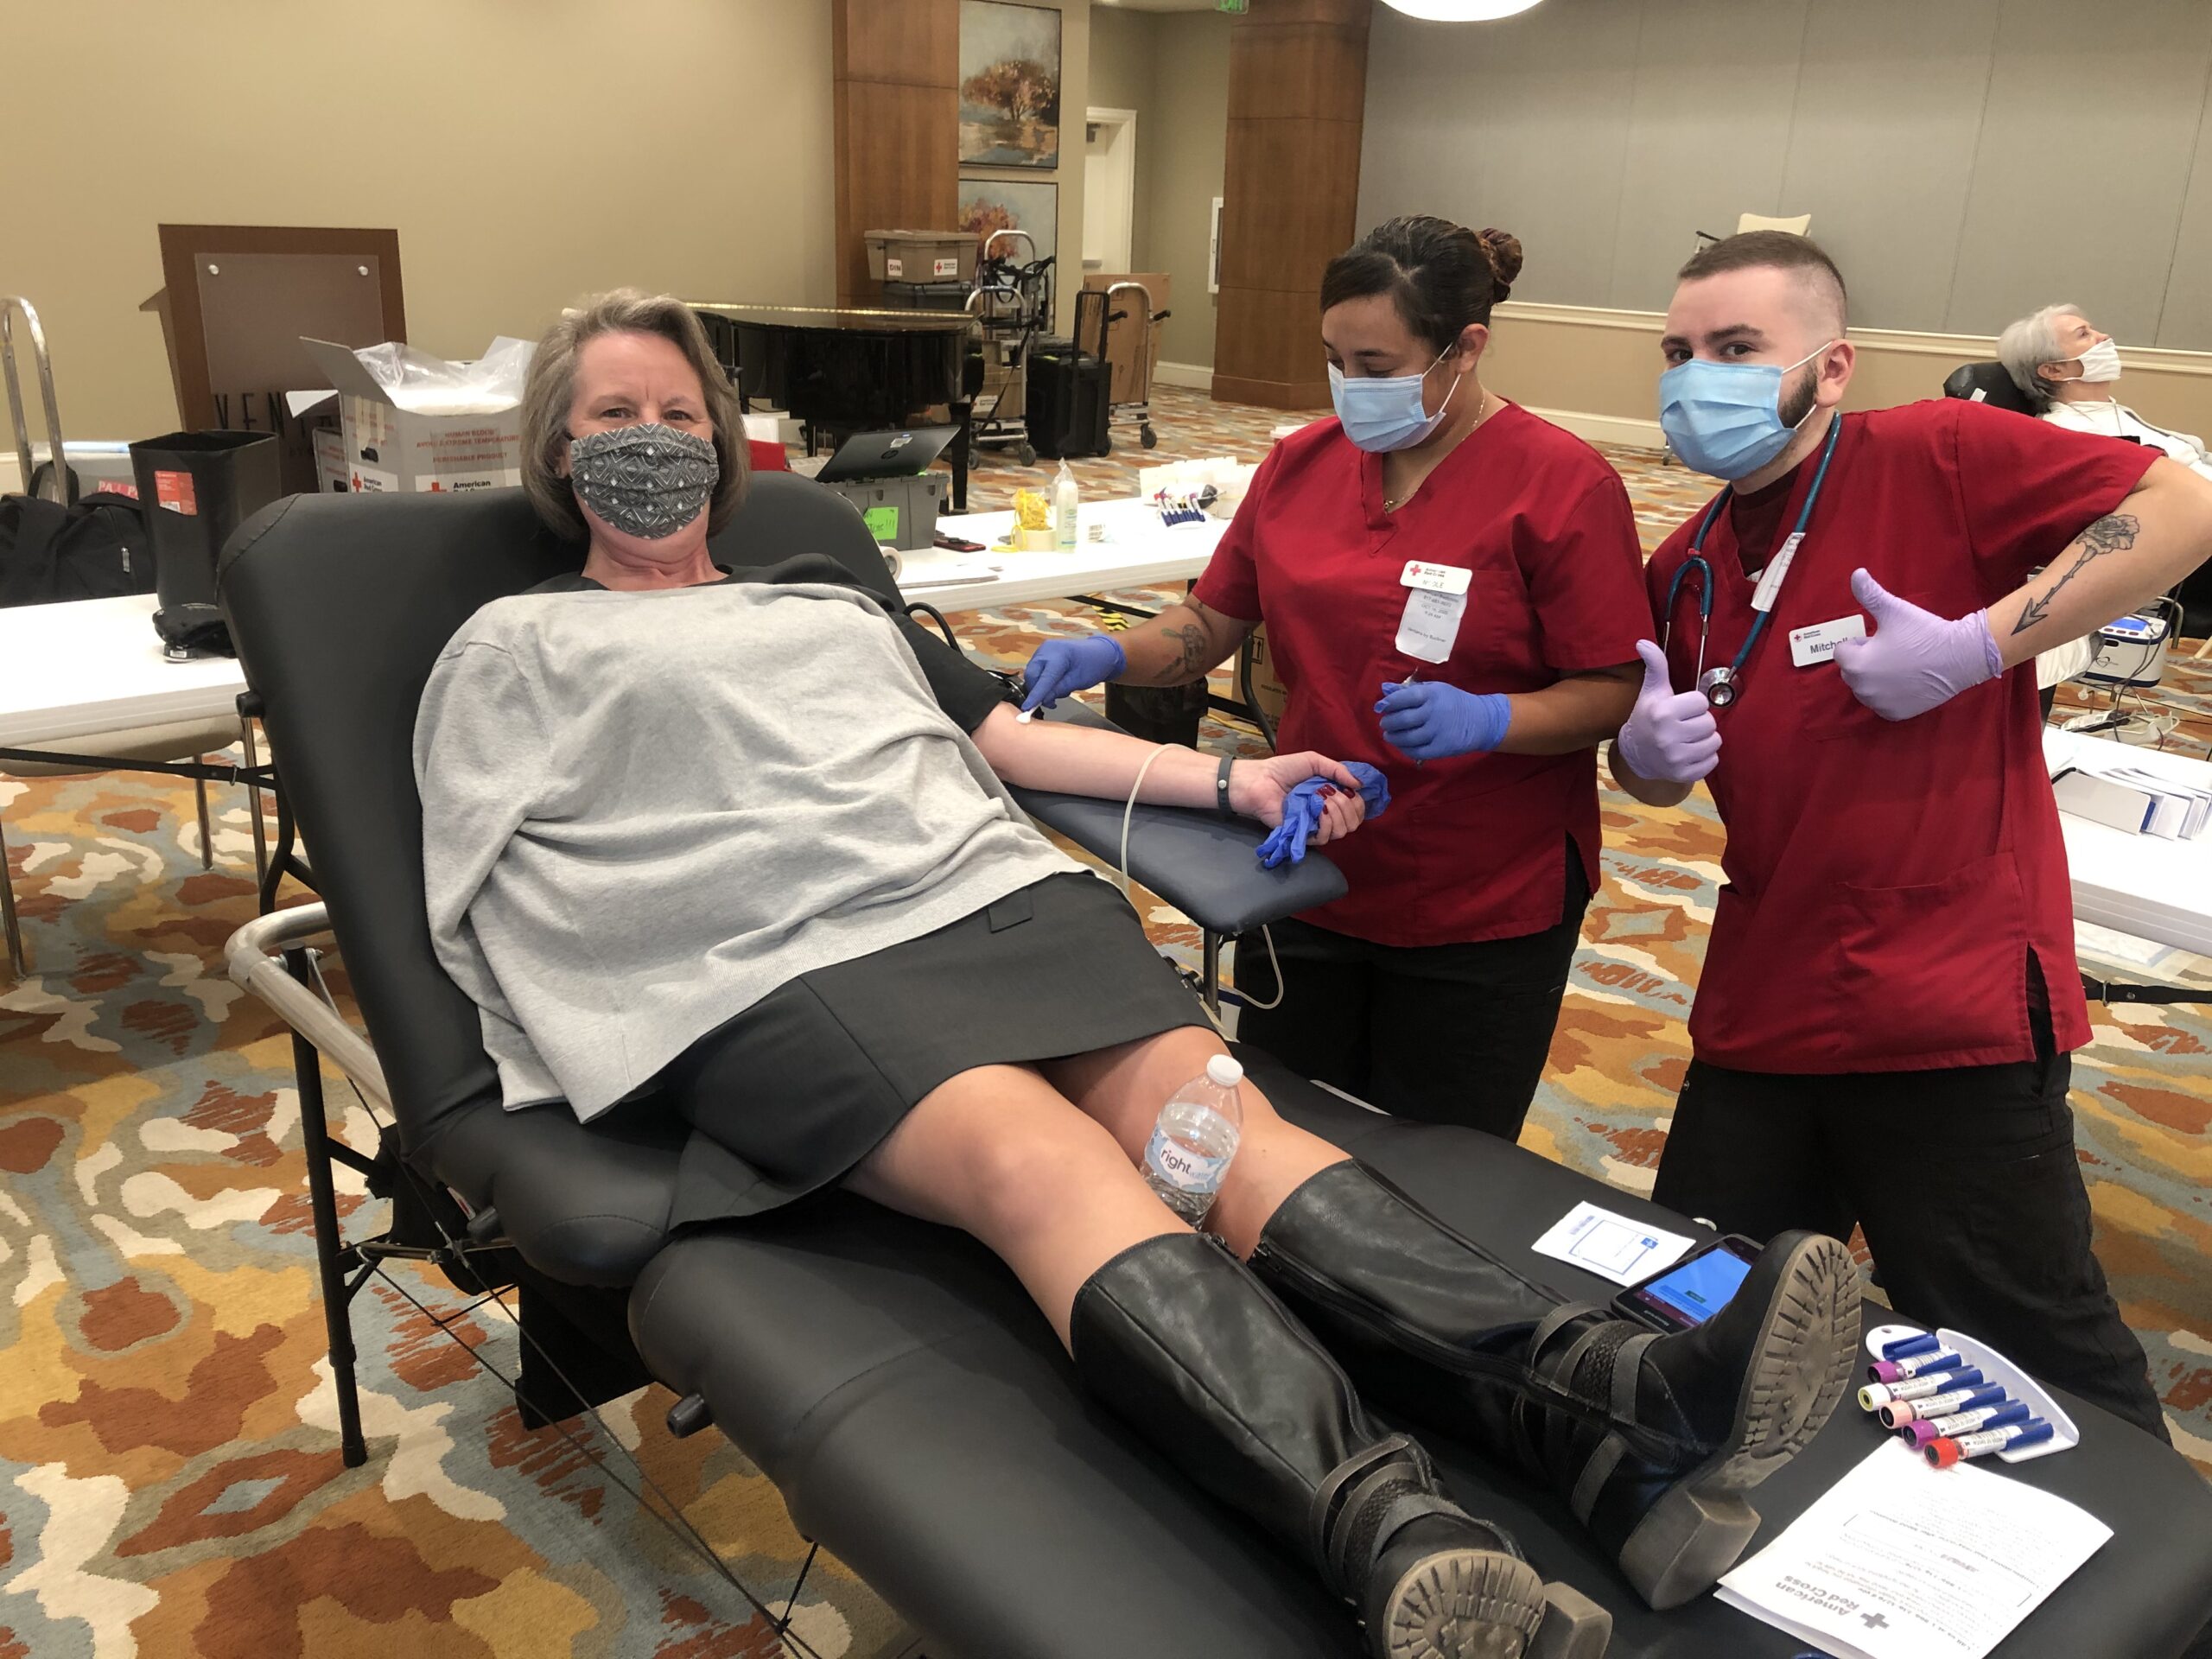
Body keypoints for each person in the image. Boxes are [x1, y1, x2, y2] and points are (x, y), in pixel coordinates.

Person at [415, 289, 1858, 1658]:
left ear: (725, 442)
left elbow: (1009, 745)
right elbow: (493, 888)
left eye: (679, 412)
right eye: (615, 417)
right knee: (1039, 1160)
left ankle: (1610, 1396)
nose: (654, 441)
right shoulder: (512, 644)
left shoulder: (828, 602)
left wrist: (1234, 781)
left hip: (982, 902)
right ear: (558, 452)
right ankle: (1389, 1533)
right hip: (775, 959)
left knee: (1216, 1124)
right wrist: (625, 1004)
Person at [1612, 232, 2212, 1441]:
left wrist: (1982, 644)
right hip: (1767, 998)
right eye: (1678, 353)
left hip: (1949, 999)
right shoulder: (1687, 566)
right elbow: (1658, 771)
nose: (1696, 378)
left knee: (2033, 1361)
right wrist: (1643, 759)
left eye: (1736, 348)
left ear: (1831, 367)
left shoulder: (1939, 454)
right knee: (1695, 1316)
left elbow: (2184, 508)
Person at [1017, 218, 1649, 1140]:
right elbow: (1212, 623)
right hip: (1307, 858)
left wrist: (1491, 718)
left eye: (1375, 364)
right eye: (1334, 360)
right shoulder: (1302, 464)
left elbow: (1613, 687)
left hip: (1479, 894)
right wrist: (1113, 653)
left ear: (1465, 349)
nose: (1351, 385)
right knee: (1289, 1135)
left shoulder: (1561, 486)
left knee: (1441, 1163)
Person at [1998, 302, 2212, 476]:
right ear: (2054, 370)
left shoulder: (2111, 410)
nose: (2104, 336)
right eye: (2084, 334)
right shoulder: (2068, 433)